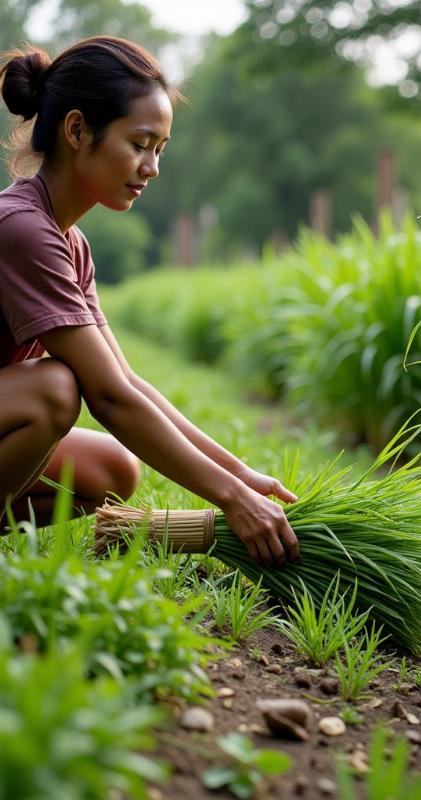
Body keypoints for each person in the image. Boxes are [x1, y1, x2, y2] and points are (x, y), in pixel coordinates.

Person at [0, 36, 300, 567]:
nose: (151, 167)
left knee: (112, 472)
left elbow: (126, 380)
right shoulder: (22, 228)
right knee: (55, 390)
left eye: (159, 149)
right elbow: (108, 398)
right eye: (139, 144)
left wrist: (240, 475)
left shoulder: (70, 241)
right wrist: (231, 501)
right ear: (77, 131)